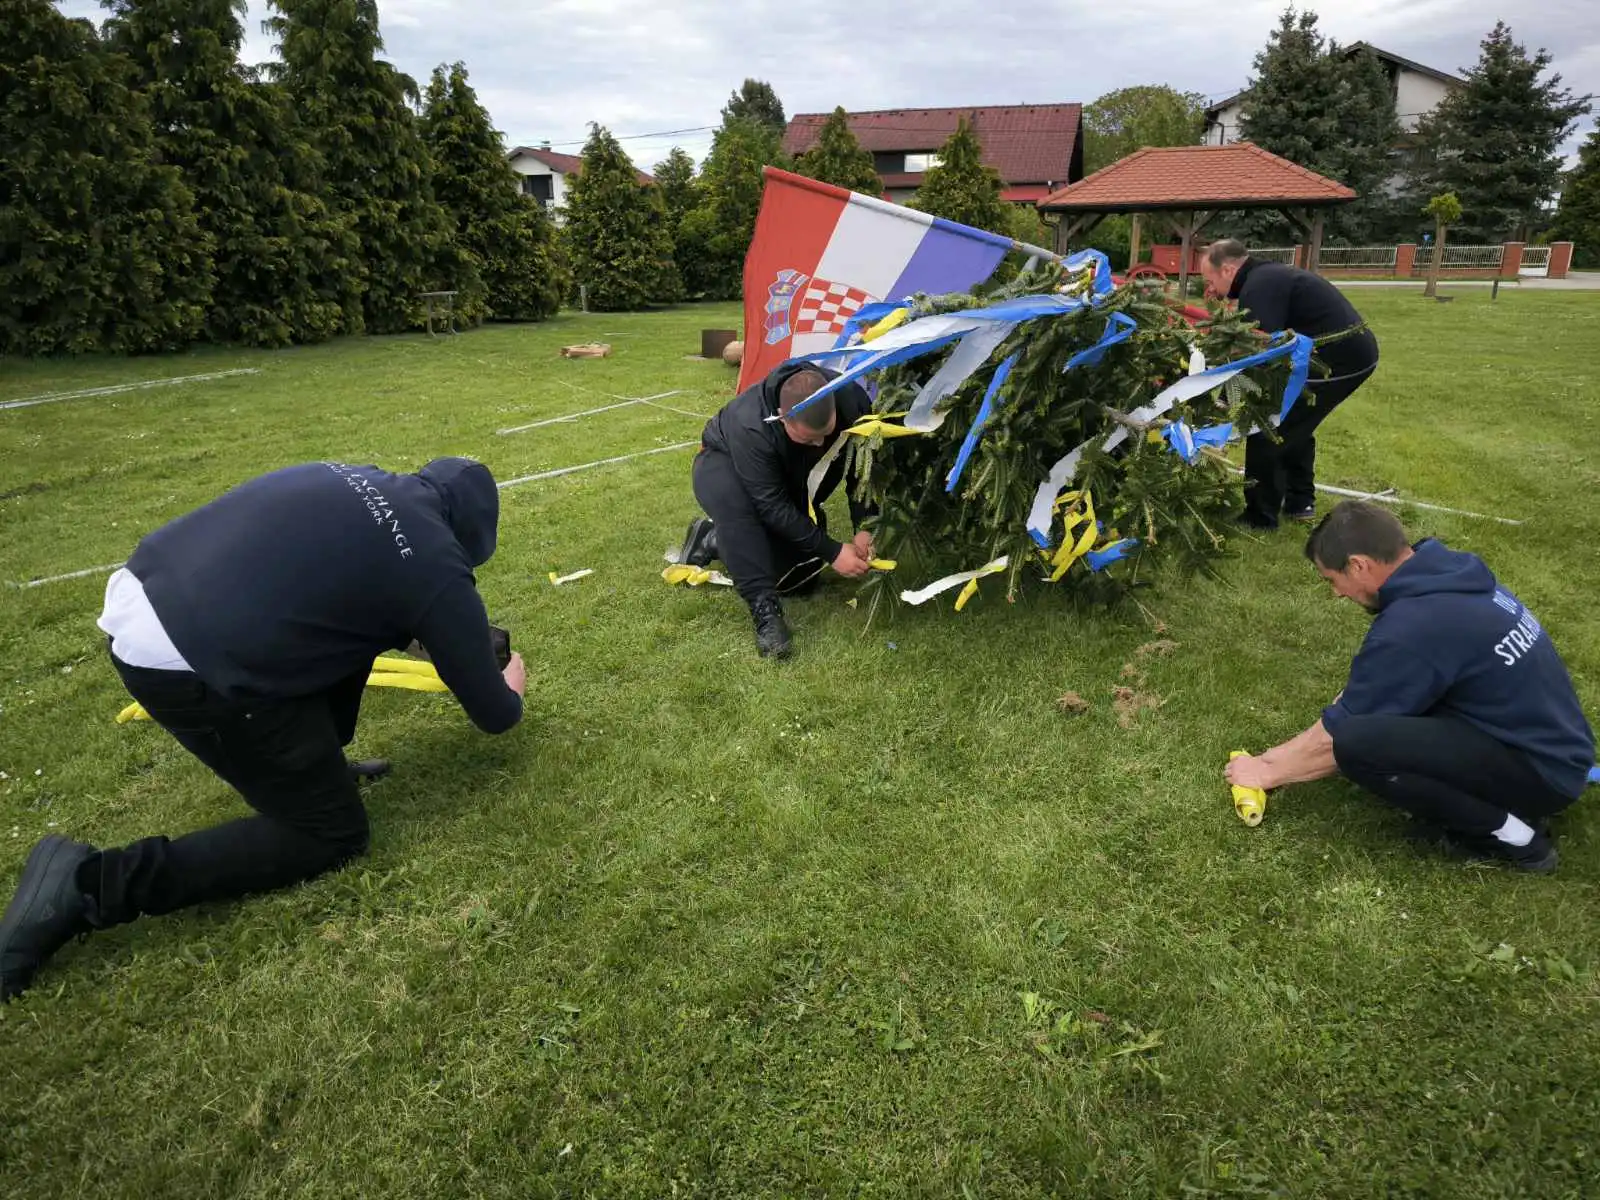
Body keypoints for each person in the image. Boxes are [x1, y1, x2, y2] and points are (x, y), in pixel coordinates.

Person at [0, 458, 526, 1001]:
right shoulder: (433, 560)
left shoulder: (355, 475)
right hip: (186, 660)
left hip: (146, 592)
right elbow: (495, 714)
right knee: (328, 833)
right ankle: (89, 885)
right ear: (467, 534)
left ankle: (317, 764)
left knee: (351, 630)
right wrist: (509, 682)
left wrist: (437, 631)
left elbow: (344, 595)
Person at [1226, 501, 1595, 872]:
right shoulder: (1448, 575)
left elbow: (1340, 734)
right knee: (1371, 717)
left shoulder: (1412, 627)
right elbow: (1357, 700)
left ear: (1358, 565)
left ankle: (1516, 836)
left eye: (1332, 580)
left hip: (1544, 776)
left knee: (1358, 745)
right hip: (1559, 749)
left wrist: (1265, 774)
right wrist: (1272, 756)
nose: (1337, 594)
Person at [679, 361, 876, 659]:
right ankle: (765, 612)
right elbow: (772, 505)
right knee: (741, 514)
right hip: (721, 464)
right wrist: (833, 551)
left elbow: (862, 468)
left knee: (800, 579)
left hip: (780, 475)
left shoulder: (853, 399)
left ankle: (713, 540)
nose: (820, 444)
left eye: (827, 433)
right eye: (809, 439)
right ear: (783, 419)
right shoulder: (751, 427)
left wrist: (865, 525)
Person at [1199, 239, 1380, 530]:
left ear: (1228, 269)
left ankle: (1261, 516)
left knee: (1269, 427)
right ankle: (1299, 503)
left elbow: (1258, 351)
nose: (1210, 289)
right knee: (1296, 424)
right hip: (1340, 355)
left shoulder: (1259, 286)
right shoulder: (1265, 277)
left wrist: (1223, 398)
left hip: (1340, 361)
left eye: (1210, 280)